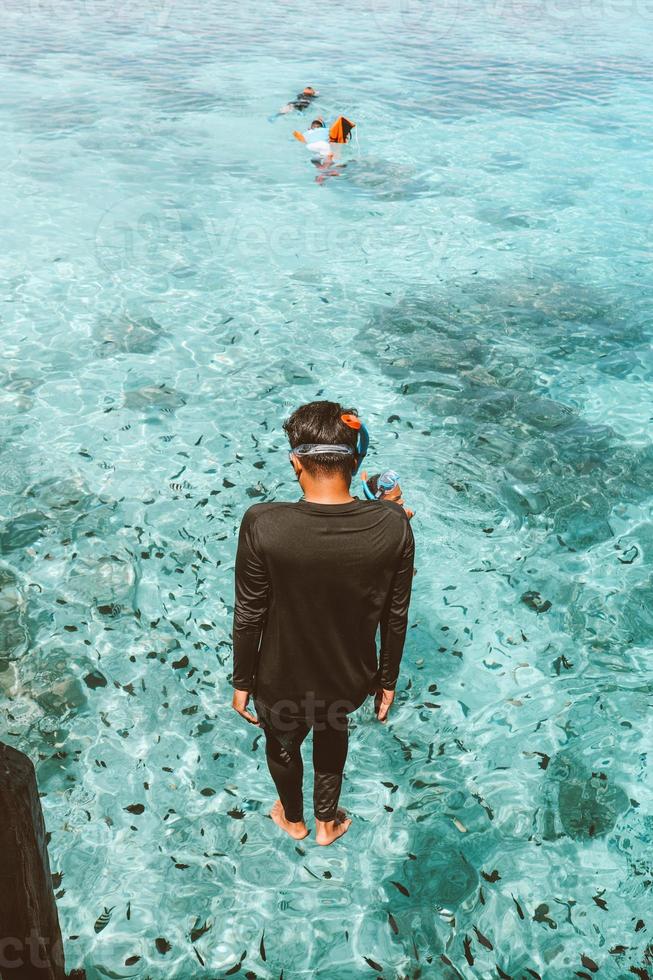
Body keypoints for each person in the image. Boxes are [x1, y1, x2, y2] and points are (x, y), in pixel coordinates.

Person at [231, 400, 415, 845]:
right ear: (356, 461)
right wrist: (386, 678)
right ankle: (327, 823)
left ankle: (293, 819)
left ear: (297, 461)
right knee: (333, 732)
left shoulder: (263, 523)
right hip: (347, 677)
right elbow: (396, 612)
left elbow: (249, 612)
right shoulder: (393, 525)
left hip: (280, 678)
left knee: (282, 744)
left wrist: (242, 680)